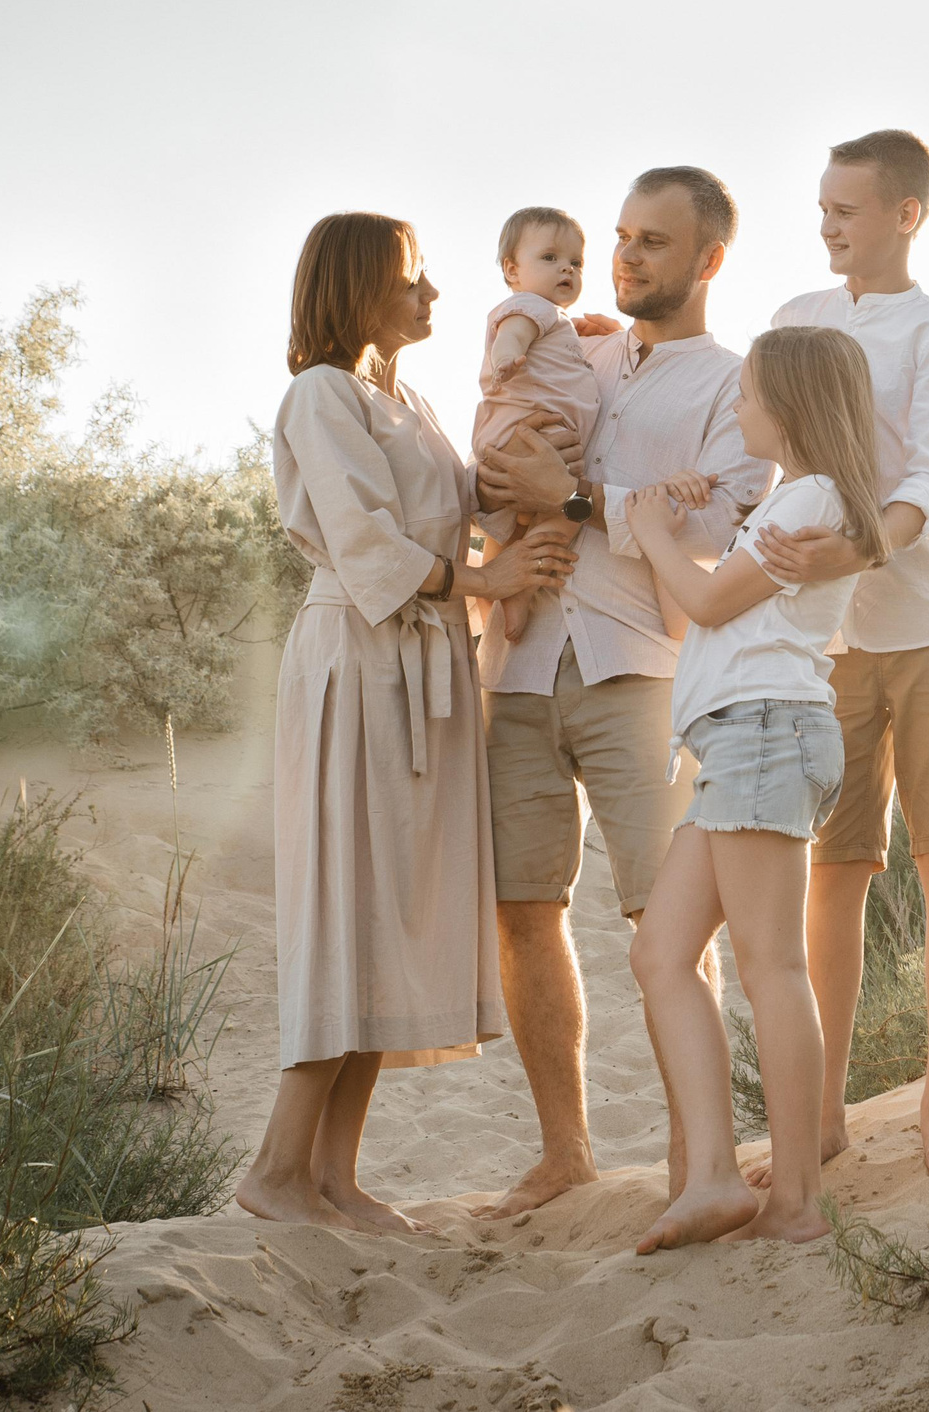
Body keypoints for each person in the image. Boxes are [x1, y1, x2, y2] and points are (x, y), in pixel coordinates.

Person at [235, 212, 579, 1235]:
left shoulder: (409, 398)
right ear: (359, 288)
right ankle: (273, 1168)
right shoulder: (319, 395)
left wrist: (574, 370)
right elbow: (362, 538)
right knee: (351, 902)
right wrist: (487, 574)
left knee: (389, 910)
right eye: (414, 279)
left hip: (426, 661)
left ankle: (333, 1178)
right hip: (360, 661)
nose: (433, 297)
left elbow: (461, 492)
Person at [469, 168, 776, 1219]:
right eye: (620, 236)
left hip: (641, 667)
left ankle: (700, 1157)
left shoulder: (734, 387)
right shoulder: (580, 345)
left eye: (653, 241)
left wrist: (574, 498)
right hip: (515, 666)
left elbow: (711, 536)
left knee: (671, 917)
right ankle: (566, 1154)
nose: (626, 257)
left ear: (708, 259)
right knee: (523, 905)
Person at [757, 130, 929, 1179]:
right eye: (820, 208)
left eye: (845, 210)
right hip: (829, 635)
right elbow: (755, 439)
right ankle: (815, 1119)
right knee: (835, 867)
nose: (826, 225)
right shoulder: (794, 320)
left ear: (905, 213)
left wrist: (864, 544)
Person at [625, 325, 891, 1250]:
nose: (735, 407)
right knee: (661, 953)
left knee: (769, 965)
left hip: (765, 735)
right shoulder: (794, 500)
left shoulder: (814, 495)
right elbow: (702, 617)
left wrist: (652, 531)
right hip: (742, 741)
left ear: (790, 405)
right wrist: (687, 530)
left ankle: (796, 1203)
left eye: (745, 393)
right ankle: (710, 1178)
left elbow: (701, 604)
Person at [470, 206, 601, 644]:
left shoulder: (556, 319)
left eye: (576, 262)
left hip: (528, 433)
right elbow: (513, 335)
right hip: (531, 430)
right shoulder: (529, 306)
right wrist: (505, 357)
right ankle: (523, 584)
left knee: (538, 515)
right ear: (513, 269)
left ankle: (511, 582)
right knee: (569, 507)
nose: (566, 267)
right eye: (549, 257)